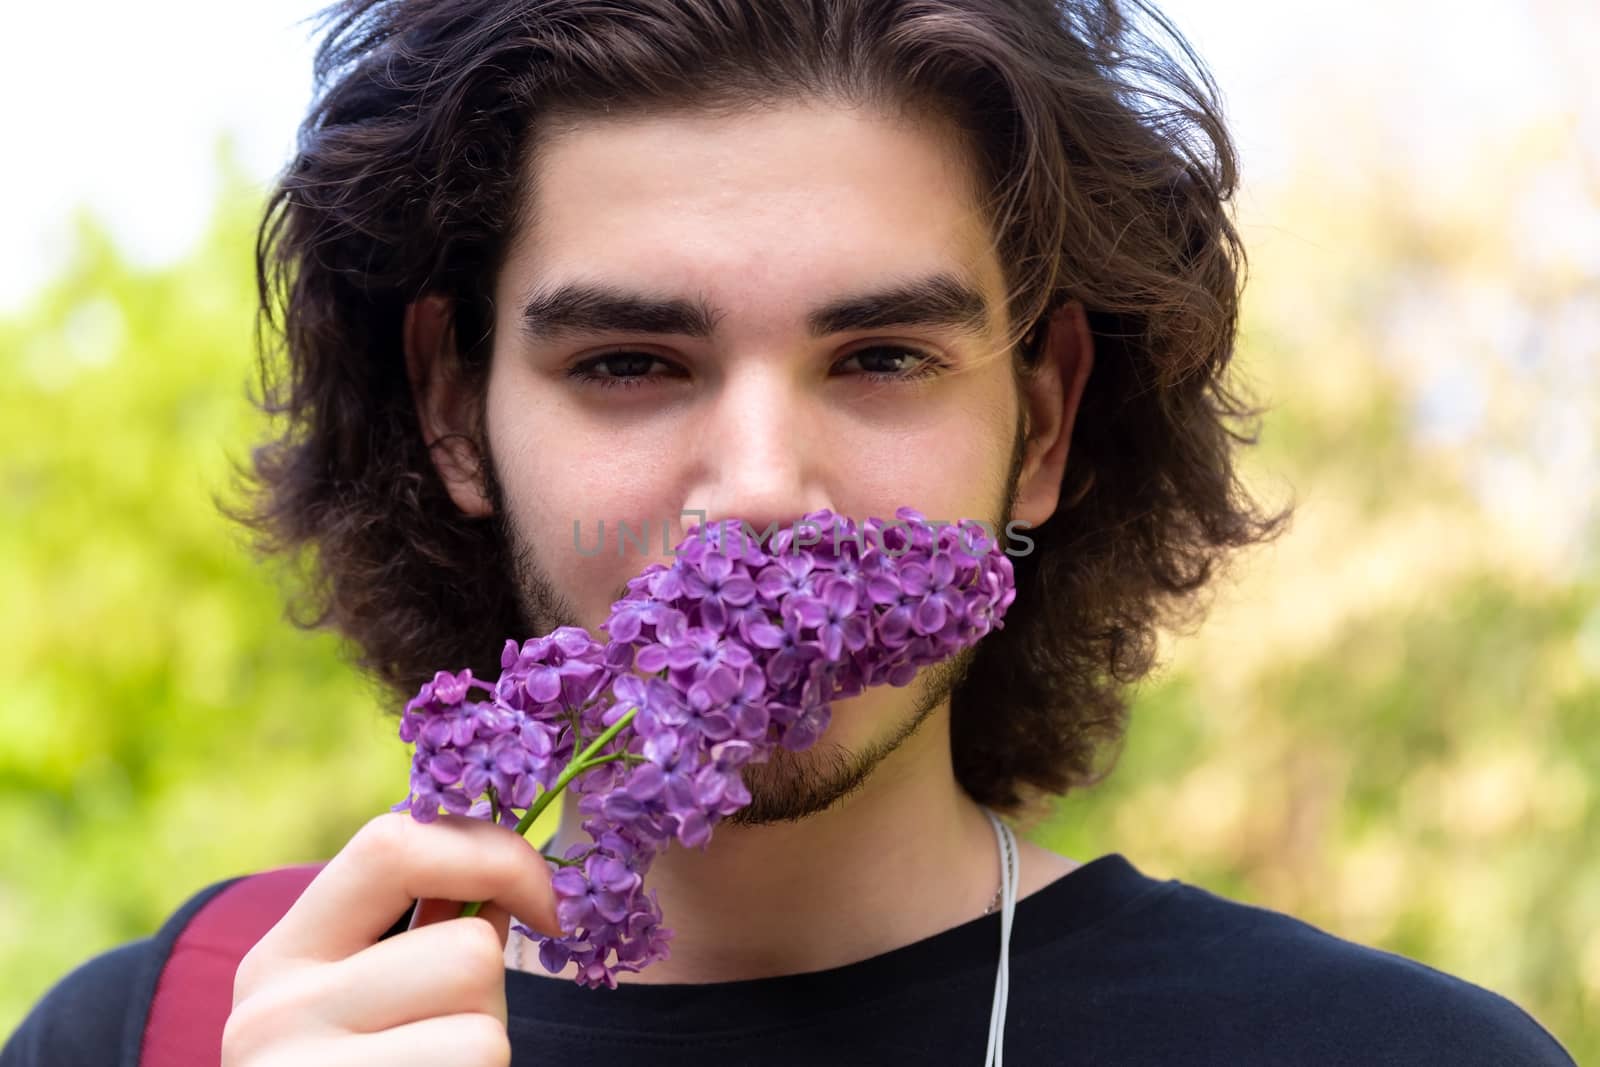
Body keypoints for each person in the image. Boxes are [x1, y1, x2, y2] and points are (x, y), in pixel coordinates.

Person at [3, 0, 1578, 1064]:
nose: (759, 485)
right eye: (629, 364)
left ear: (1041, 425)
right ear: (448, 407)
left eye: (882, 358)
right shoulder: (161, 1037)